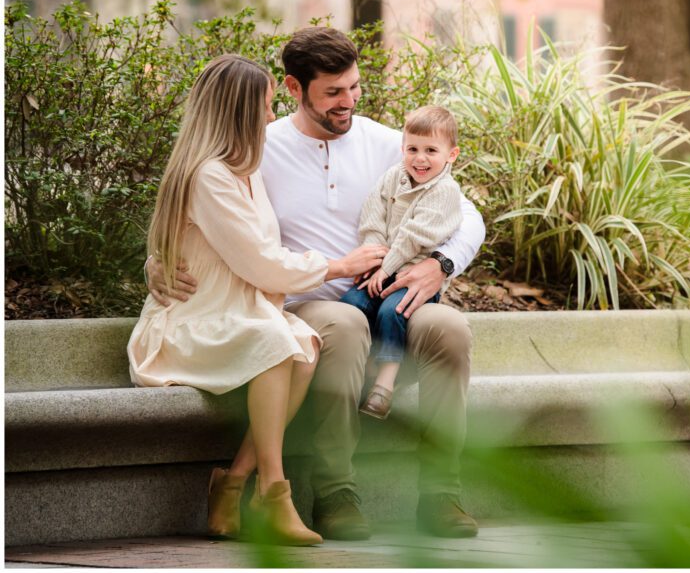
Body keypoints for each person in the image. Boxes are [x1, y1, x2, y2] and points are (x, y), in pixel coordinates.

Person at [148, 27, 485, 540]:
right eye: (333, 92)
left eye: (354, 87)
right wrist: (157, 261)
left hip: (395, 293)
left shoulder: (385, 144)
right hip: (311, 302)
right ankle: (336, 493)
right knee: (343, 323)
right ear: (292, 89)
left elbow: (465, 212)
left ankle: (442, 495)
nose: (347, 101)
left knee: (450, 329)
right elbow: (208, 221)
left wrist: (443, 262)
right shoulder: (261, 147)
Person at [128, 54, 357, 547]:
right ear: (237, 110)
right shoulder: (208, 175)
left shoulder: (244, 171)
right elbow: (258, 260)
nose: (271, 116)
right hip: (191, 321)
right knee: (275, 341)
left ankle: (232, 484)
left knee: (303, 345)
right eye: (265, 106)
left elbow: (260, 255)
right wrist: (338, 265)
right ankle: (273, 493)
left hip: (237, 313)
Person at [341, 105, 463, 420]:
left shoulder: (445, 192)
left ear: (451, 155)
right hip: (383, 266)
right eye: (412, 149)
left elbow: (413, 237)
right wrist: (373, 258)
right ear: (403, 148)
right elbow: (373, 214)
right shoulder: (395, 177)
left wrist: (387, 267)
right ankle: (360, 369)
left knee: (391, 310)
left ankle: (384, 385)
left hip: (413, 274)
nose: (419, 158)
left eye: (431, 151)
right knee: (352, 303)